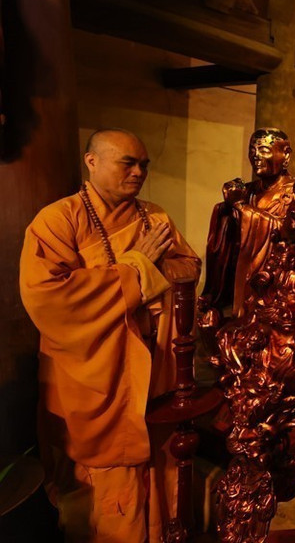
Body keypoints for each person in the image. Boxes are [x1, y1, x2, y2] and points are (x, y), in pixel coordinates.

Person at [20, 128, 201, 542]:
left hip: (153, 372)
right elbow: (49, 298)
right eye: (128, 163)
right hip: (94, 375)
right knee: (104, 483)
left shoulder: (154, 217)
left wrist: (150, 275)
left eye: (144, 165)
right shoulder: (57, 220)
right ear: (92, 162)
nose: (139, 172)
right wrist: (137, 268)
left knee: (159, 472)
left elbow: (189, 267)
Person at [197, 128, 295, 345]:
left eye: (263, 150)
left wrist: (241, 208)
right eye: (252, 150)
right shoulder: (249, 190)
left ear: (286, 155)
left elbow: (287, 234)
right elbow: (230, 236)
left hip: (274, 286)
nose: (256, 157)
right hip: (243, 281)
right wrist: (227, 208)